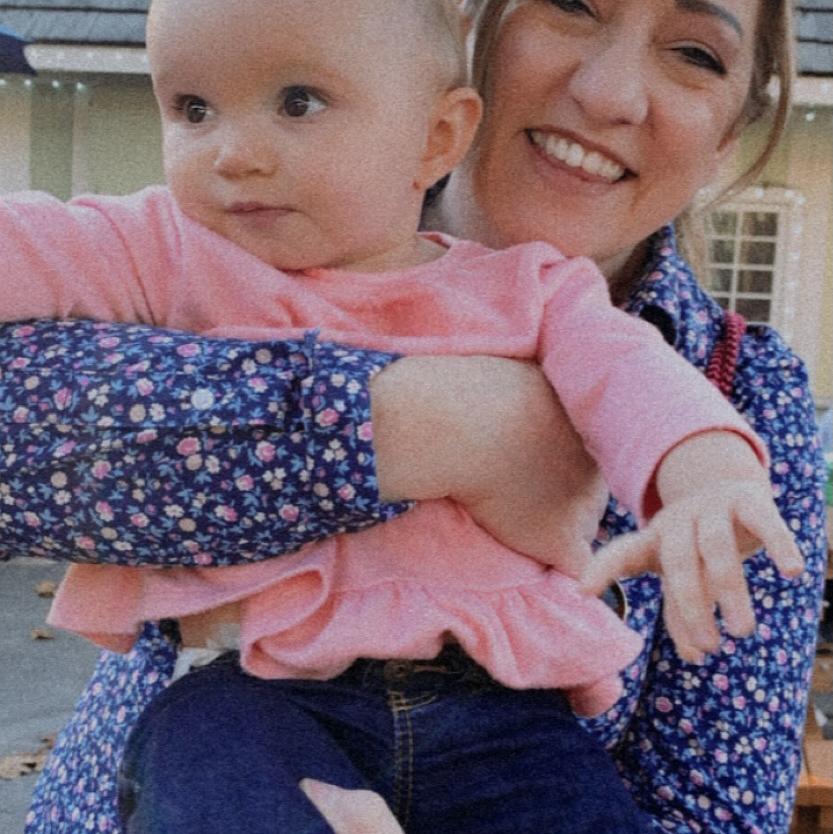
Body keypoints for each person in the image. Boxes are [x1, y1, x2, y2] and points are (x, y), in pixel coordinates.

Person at [5, 0, 824, 831]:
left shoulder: (605, 322)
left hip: (505, 729)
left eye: (694, 52)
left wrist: (706, 476)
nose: (237, 152)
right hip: (252, 701)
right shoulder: (192, 246)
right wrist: (421, 425)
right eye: (573, 2)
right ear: (476, 27)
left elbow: (637, 379)